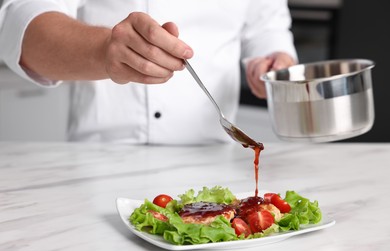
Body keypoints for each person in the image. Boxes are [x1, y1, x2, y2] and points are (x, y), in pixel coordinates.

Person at [0, 0, 297, 145]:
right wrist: (103, 50)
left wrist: (273, 62)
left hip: (213, 156)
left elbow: (267, 27)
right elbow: (20, 22)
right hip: (100, 158)